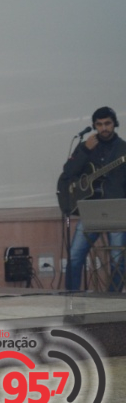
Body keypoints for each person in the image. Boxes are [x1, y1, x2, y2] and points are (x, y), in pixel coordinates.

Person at [60, 107, 126, 291]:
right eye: (99, 124)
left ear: (114, 124)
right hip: (91, 210)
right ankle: (71, 299)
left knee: (117, 261)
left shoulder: (123, 149)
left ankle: (111, 303)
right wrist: (85, 151)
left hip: (116, 210)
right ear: (94, 126)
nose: (104, 128)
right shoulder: (87, 146)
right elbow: (68, 173)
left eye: (108, 123)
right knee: (74, 257)